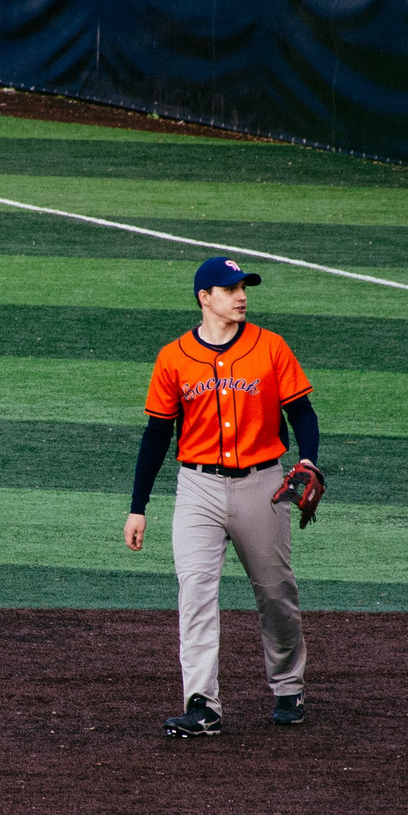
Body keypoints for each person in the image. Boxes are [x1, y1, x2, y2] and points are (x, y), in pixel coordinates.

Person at [124, 255, 323, 737]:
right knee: (194, 593)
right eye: (231, 288)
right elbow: (156, 435)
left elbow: (303, 413)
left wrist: (309, 459)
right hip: (197, 488)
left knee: (276, 593)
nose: (242, 296)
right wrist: (138, 507)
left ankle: (288, 686)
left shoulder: (270, 347)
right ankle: (202, 705)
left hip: (263, 486)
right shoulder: (173, 357)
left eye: (244, 287)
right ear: (204, 297)